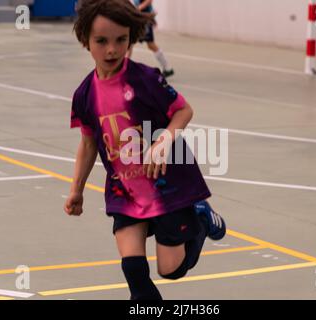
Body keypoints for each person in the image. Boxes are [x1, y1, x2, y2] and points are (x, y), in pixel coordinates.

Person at [65, 0, 226, 300]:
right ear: (85, 39)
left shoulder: (145, 78)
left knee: (171, 270)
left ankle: (200, 218)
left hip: (165, 185)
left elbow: (183, 111)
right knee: (134, 271)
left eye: (121, 40)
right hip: (124, 190)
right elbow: (88, 144)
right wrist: (76, 190)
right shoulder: (84, 95)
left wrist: (162, 142)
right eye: (102, 41)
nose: (112, 50)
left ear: (131, 37)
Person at [127, 0, 175, 78]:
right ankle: (125, 68)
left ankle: (167, 68)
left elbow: (149, 1)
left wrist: (139, 8)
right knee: (130, 43)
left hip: (144, 18)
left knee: (150, 44)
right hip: (138, 17)